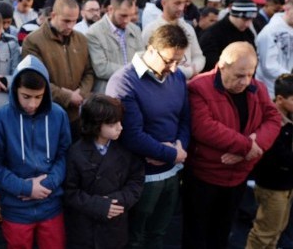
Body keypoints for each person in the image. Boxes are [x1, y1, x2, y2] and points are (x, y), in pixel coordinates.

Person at [183, 41, 282, 249]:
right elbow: (203, 127)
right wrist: (247, 147)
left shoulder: (258, 87)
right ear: (222, 66)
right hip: (204, 177)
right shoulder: (199, 87)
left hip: (238, 177)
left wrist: (250, 150)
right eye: (239, 75)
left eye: (250, 74)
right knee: (197, 236)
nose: (245, 81)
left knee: (222, 235)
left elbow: (273, 118)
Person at [105, 24, 190, 249]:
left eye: (179, 61)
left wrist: (178, 149)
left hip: (172, 172)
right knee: (135, 237)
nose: (173, 68)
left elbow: (185, 119)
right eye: (169, 60)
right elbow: (132, 135)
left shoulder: (177, 77)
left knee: (159, 233)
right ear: (151, 49)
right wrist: (172, 153)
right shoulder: (124, 81)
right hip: (141, 177)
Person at [0, 55, 71, 249]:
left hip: (51, 204)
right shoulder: (0, 118)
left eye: (38, 97)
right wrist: (25, 188)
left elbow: (64, 155)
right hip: (15, 208)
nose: (32, 104)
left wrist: (47, 184)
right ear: (15, 90)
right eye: (26, 96)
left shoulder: (58, 115)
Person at [64, 94, 145, 249]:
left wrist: (119, 200)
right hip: (85, 231)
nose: (120, 127)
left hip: (115, 228)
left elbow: (136, 179)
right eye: (113, 124)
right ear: (96, 125)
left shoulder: (126, 149)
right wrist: (98, 205)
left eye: (120, 121)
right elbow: (69, 192)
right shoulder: (76, 153)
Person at [22, 0, 94, 140]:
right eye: (66, 21)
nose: (71, 26)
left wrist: (81, 93)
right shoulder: (33, 41)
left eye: (75, 21)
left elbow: (89, 72)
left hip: (77, 116)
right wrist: (66, 96)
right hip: (47, 115)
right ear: (53, 15)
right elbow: (33, 80)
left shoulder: (81, 39)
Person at [246, 74, 293, 249]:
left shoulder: (289, 118)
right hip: (272, 186)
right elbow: (278, 156)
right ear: (280, 99)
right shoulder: (271, 122)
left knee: (276, 231)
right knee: (264, 233)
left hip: (286, 185)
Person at [142, 0, 205, 80]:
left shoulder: (188, 28)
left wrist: (192, 69)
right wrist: (182, 71)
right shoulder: (151, 30)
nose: (181, 8)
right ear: (164, 3)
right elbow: (143, 61)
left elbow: (198, 56)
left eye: (184, 3)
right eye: (177, 3)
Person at [86, 0, 145, 93]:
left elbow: (142, 60)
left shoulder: (135, 30)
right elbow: (102, 69)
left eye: (130, 15)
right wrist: (133, 71)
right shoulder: (94, 33)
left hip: (134, 90)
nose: (127, 20)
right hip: (108, 92)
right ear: (110, 9)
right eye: (123, 15)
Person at [199, 0, 258, 72]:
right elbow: (209, 62)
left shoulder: (248, 33)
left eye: (251, 20)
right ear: (234, 15)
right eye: (244, 19)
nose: (248, 24)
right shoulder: (213, 34)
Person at [255, 0, 293, 99]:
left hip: (286, 87)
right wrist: (290, 77)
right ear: (287, 9)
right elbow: (268, 65)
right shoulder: (271, 32)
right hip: (269, 89)